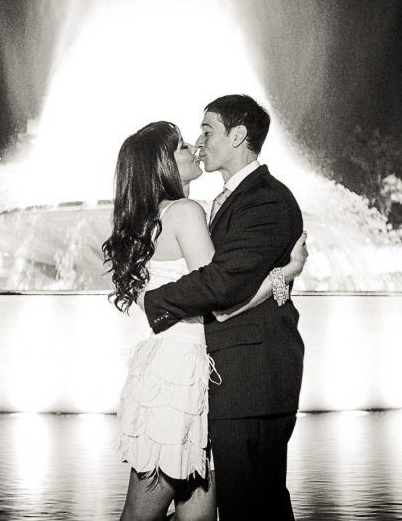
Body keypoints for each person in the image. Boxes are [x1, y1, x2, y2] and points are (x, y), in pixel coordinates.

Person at [103, 120, 307, 521]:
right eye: (180, 146)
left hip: (178, 369)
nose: (193, 148)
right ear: (161, 165)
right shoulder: (185, 212)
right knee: (143, 511)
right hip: (180, 377)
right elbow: (219, 298)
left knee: (196, 508)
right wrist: (286, 273)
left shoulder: (149, 218)